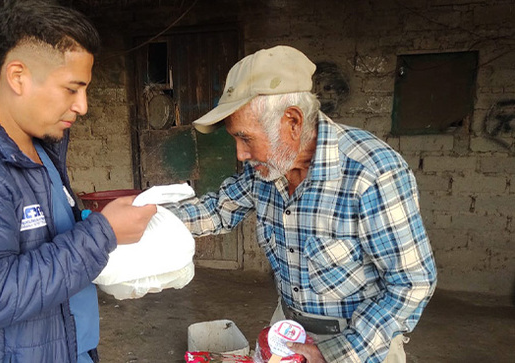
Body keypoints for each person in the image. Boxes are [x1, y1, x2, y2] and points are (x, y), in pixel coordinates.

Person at [0, 1, 156, 362]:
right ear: (17, 76)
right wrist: (102, 235)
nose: (83, 105)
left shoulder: (36, 143)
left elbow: (48, 240)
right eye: (72, 89)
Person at [166, 45, 437, 363]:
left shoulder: (371, 172)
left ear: (292, 121)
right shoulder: (265, 170)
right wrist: (150, 220)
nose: (240, 154)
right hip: (287, 332)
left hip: (360, 345)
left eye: (246, 138)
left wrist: (334, 353)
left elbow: (411, 282)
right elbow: (217, 209)